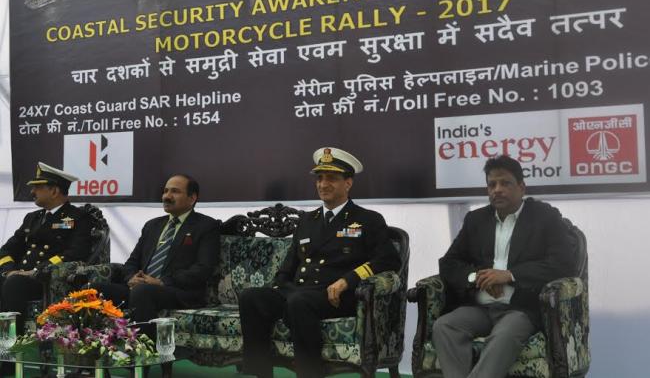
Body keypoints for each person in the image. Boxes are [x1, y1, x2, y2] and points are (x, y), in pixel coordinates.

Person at [239, 147, 401, 378]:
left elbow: (389, 259)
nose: (323, 184)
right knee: (251, 297)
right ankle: (261, 374)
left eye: (331, 178)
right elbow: (289, 265)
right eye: (320, 178)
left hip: (336, 296)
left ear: (348, 183)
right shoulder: (308, 220)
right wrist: (278, 287)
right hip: (299, 292)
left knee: (298, 302)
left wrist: (348, 280)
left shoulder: (367, 219)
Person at [433, 155, 574, 378]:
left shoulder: (544, 216)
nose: (497, 190)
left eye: (505, 183)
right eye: (492, 184)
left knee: (504, 335)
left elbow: (563, 263)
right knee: (445, 326)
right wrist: (476, 278)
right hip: (479, 307)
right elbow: (449, 263)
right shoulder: (476, 220)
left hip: (520, 308)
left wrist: (509, 275)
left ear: (521, 187)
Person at [94, 174, 220, 339]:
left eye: (175, 191)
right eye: (165, 191)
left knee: (142, 292)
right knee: (94, 290)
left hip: (179, 291)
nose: (167, 196)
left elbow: (203, 269)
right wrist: (131, 277)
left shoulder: (206, 226)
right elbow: (132, 261)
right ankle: (92, 346)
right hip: (142, 288)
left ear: (192, 198)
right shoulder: (152, 225)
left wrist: (162, 282)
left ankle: (145, 350)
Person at [0, 162, 93, 334]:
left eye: (37, 187)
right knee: (10, 279)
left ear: (54, 191)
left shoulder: (77, 217)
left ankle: (11, 340)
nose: (32, 191)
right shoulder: (32, 218)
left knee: (14, 283)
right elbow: (7, 249)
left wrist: (35, 271)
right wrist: (9, 270)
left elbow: (75, 253)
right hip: (18, 276)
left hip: (46, 279)